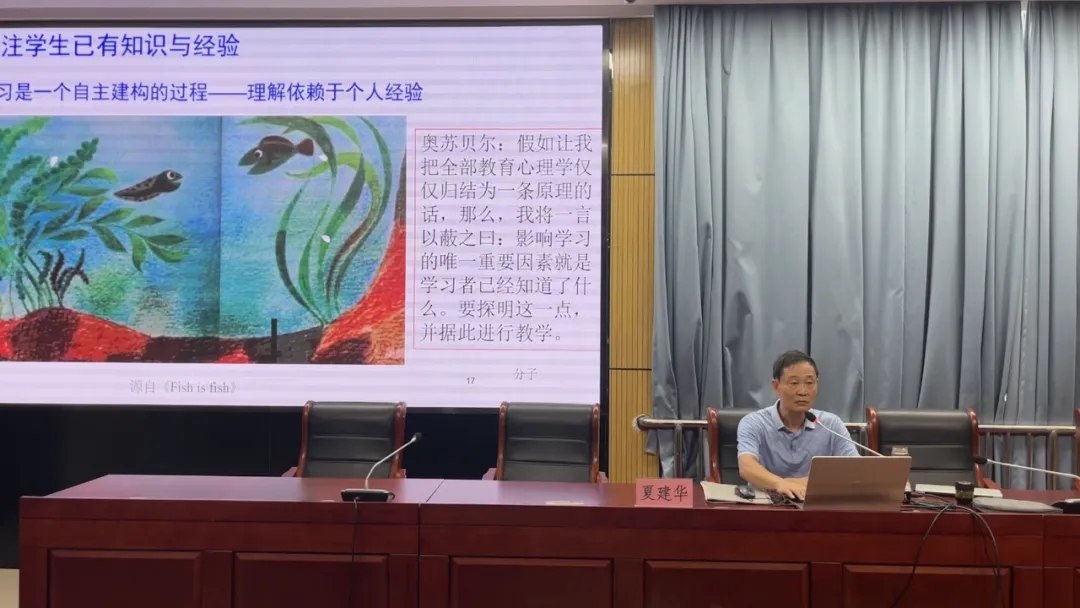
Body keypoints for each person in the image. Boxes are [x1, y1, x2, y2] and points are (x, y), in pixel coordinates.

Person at [736, 350, 857, 500]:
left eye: (809, 383)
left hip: (815, 505)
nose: (803, 391)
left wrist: (794, 483)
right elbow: (747, 467)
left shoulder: (831, 424)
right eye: (794, 383)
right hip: (766, 504)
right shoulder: (754, 423)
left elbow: (854, 471)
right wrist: (780, 484)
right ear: (776, 386)